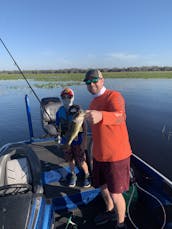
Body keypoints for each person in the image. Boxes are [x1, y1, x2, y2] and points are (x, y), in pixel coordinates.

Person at [84, 70, 132, 229]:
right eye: (88, 82)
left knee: (116, 193)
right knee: (102, 187)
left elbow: (120, 116)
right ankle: (110, 210)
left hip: (116, 156)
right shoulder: (92, 104)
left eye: (94, 80)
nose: (91, 84)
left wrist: (102, 116)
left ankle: (121, 223)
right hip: (99, 156)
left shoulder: (114, 96)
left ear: (102, 80)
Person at [56, 88, 91, 188]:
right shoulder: (60, 112)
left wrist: (84, 141)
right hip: (65, 139)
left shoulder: (78, 110)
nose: (66, 99)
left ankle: (87, 175)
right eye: (64, 97)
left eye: (69, 96)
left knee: (81, 160)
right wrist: (59, 135)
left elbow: (84, 127)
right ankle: (73, 174)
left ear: (73, 97)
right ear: (61, 98)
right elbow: (58, 126)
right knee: (70, 160)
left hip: (78, 140)